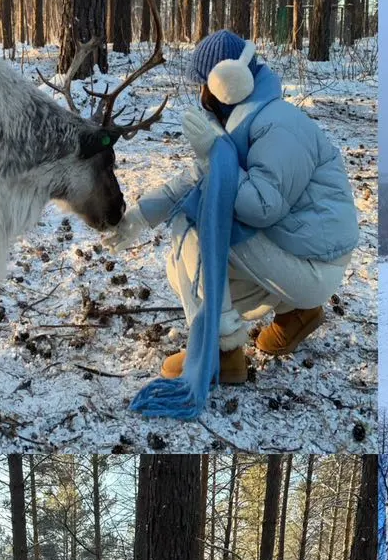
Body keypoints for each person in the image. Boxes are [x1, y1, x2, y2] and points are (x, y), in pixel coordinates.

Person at [111, 30, 359, 385]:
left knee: (192, 225)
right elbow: (193, 179)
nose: (200, 96)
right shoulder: (243, 123)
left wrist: (212, 154)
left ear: (228, 83)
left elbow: (262, 207)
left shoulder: (278, 126)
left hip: (315, 264)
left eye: (204, 85)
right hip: (302, 253)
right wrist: (137, 217)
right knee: (183, 251)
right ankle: (294, 316)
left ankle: (220, 351)